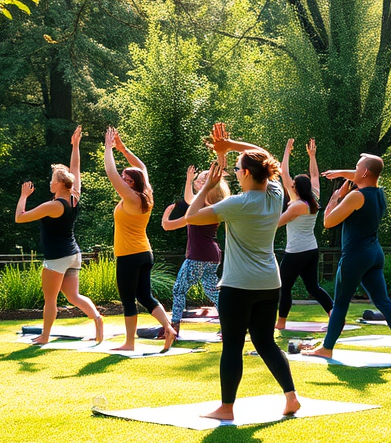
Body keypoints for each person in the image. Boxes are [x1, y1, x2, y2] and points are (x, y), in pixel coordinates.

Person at [186, 123, 300, 419]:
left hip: (238, 286)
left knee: (233, 347)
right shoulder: (275, 195)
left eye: (236, 169)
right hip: (269, 283)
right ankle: (291, 397)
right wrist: (231, 146)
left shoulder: (236, 203)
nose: (235, 173)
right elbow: (264, 155)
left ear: (248, 174)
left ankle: (226, 408)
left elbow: (191, 217)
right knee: (265, 343)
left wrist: (209, 186)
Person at [303, 152, 391, 360]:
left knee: (341, 304)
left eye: (356, 168)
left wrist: (337, 197)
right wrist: (340, 173)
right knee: (383, 301)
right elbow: (366, 172)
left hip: (355, 256)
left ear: (363, 172)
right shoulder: (379, 193)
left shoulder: (356, 196)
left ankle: (326, 348)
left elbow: (328, 222)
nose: (352, 173)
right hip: (374, 254)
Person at [14, 125, 103, 344]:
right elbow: (76, 167)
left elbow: (20, 217)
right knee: (73, 296)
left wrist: (24, 195)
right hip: (73, 254)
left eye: (53, 179)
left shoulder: (52, 205)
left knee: (50, 299)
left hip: (57, 258)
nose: (50, 182)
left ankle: (44, 336)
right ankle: (98, 321)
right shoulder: (74, 197)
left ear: (61, 184)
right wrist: (75, 145)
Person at [104, 127, 175, 352]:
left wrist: (109, 148)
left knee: (128, 298)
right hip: (144, 253)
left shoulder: (132, 198)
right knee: (145, 295)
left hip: (129, 255)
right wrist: (123, 149)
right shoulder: (147, 195)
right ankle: (168, 328)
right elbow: (142, 168)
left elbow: (111, 173)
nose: (122, 181)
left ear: (132, 184)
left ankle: (129, 342)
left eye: (126, 179)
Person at [161, 165, 229, 336]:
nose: (199, 182)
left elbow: (190, 200)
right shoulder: (212, 206)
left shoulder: (204, 206)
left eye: (202, 180)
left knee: (179, 289)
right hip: (212, 256)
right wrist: (189, 181)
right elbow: (189, 202)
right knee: (213, 292)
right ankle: (229, 324)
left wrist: (190, 182)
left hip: (198, 256)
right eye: (199, 180)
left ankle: (174, 326)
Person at [275, 138, 333, 330]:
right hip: (311, 250)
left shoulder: (297, 206)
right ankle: (333, 315)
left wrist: (287, 151)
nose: (289, 185)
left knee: (284, 287)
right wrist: (312, 156)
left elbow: (276, 224)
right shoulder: (313, 199)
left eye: (292, 184)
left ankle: (281, 323)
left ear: (296, 188)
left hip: (296, 251)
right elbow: (314, 174)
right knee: (313, 287)